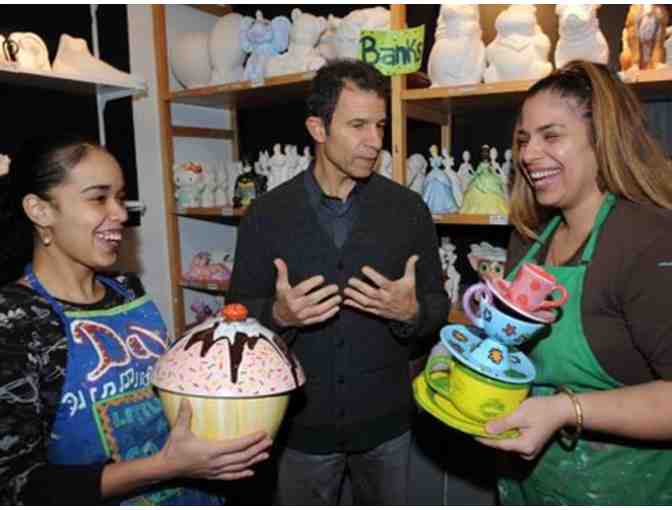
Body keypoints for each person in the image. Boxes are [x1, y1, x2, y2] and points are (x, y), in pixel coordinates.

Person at [0, 135, 272, 505]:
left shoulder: (129, 291)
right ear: (40, 210)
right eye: (99, 198)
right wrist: (164, 466)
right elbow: (20, 488)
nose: (121, 214)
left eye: (120, 197)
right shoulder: (14, 320)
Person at [227, 59, 450, 505]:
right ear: (318, 128)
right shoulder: (267, 214)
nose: (375, 142)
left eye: (380, 125)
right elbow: (236, 314)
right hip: (300, 431)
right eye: (357, 125)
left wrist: (412, 313)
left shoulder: (408, 210)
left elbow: (438, 306)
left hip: (387, 427)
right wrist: (278, 315)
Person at [476, 60, 672, 505]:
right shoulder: (530, 238)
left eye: (551, 136)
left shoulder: (647, 241)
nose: (528, 155)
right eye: (523, 139)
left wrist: (567, 410)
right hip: (529, 488)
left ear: (601, 139)